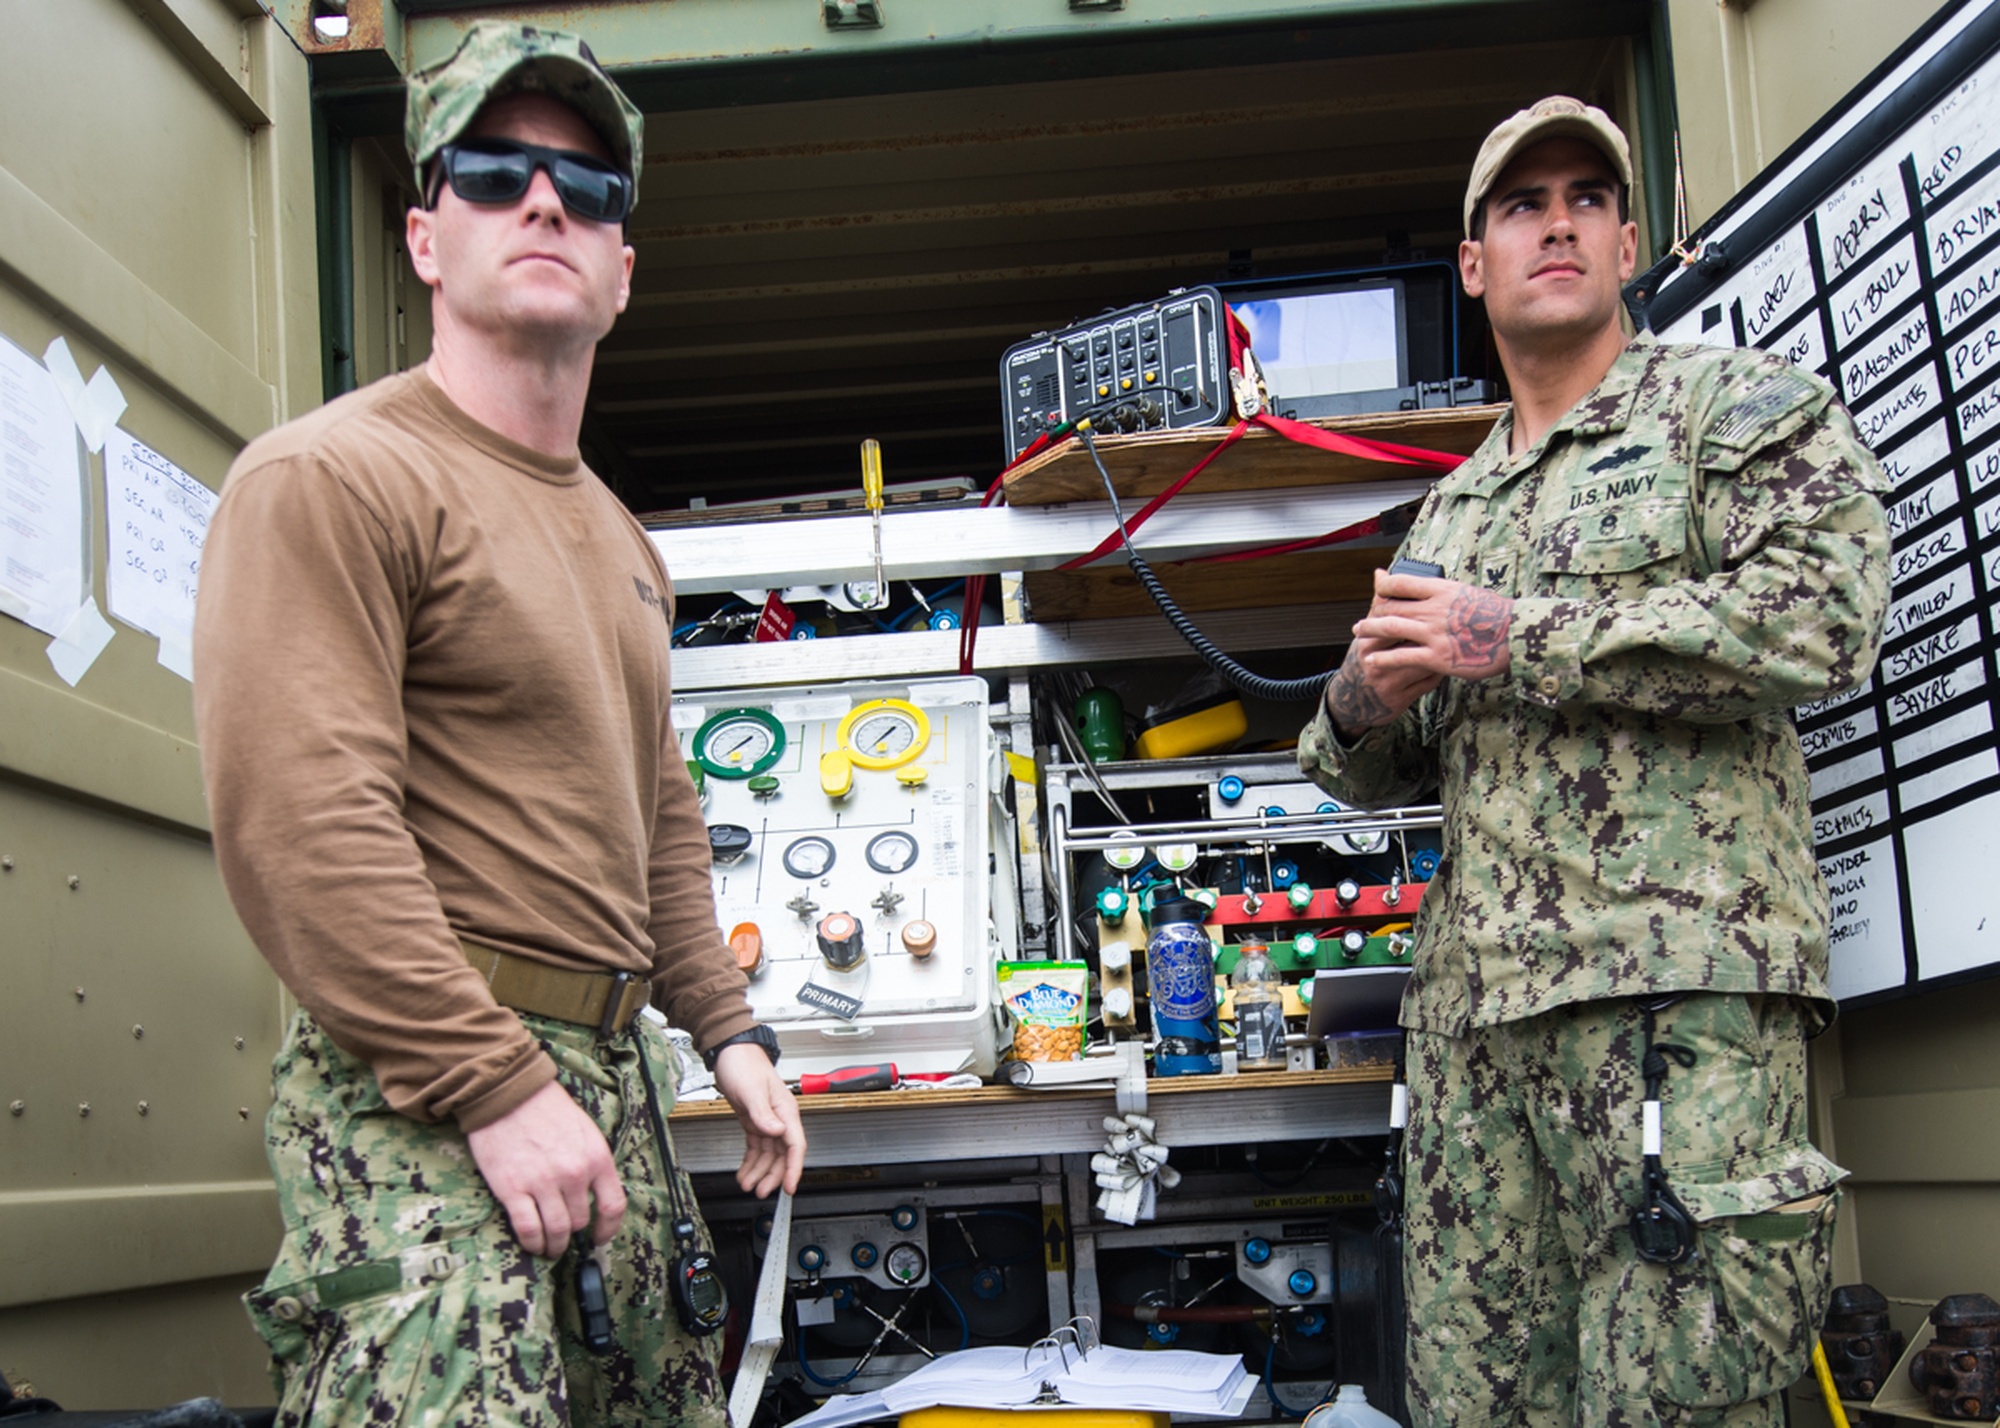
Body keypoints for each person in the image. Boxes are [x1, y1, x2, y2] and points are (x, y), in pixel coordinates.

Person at [193, 23, 804, 1426]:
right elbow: (303, 824)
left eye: (591, 190)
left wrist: (728, 1032)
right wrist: (490, 1085)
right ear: (423, 236)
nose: (547, 204)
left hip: (611, 1088)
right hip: (431, 1103)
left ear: (624, 272)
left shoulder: (620, 542)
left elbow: (655, 815)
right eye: (494, 172)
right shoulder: (334, 479)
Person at [1297, 96, 1891, 1427]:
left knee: (1675, 1399)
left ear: (1629, 243)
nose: (1554, 223)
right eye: (1520, 205)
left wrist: (1517, 635)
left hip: (1672, 1016)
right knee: (1478, 1401)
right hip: (1474, 1043)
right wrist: (1357, 701)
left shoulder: (1730, 411)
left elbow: (1827, 612)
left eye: (1583, 200)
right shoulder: (1449, 513)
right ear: (1474, 266)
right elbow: (1358, 767)